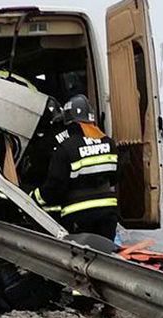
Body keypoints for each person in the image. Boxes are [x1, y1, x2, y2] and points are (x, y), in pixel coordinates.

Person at [28, 94, 119, 241]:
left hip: (79, 216)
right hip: (108, 214)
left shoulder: (66, 148)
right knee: (104, 251)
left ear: (68, 120)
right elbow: (116, 177)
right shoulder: (109, 143)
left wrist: (34, 197)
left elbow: (55, 187)